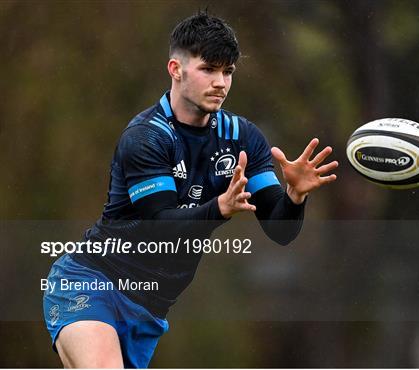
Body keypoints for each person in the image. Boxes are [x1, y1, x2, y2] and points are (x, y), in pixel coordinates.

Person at [43, 11, 338, 368]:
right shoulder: (147, 137)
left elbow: (280, 231)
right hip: (91, 282)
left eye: (227, 71)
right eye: (208, 69)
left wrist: (295, 196)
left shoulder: (242, 138)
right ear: (175, 69)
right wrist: (219, 208)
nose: (221, 83)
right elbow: (160, 226)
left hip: (148, 307)